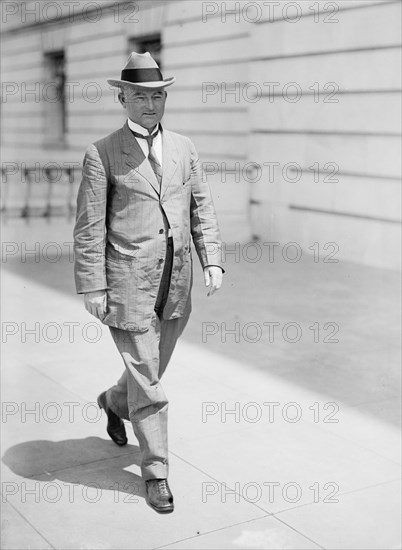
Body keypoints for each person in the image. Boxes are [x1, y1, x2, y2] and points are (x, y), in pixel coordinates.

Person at [73, 52, 224, 514]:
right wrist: (92, 286)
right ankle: (155, 472)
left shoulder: (184, 147)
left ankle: (113, 401)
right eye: (140, 96)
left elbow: (201, 207)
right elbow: (89, 226)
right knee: (152, 388)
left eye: (157, 96)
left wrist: (212, 260)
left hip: (176, 283)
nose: (150, 104)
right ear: (122, 98)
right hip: (127, 282)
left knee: (148, 373)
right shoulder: (102, 153)